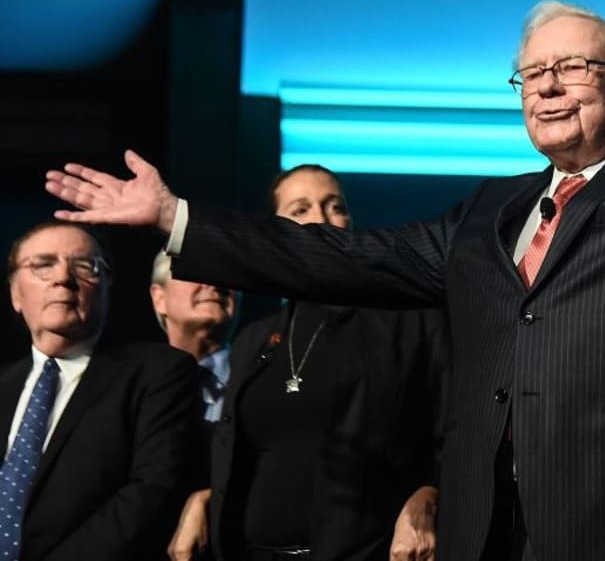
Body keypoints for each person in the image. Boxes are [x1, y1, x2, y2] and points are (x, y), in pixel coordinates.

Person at [46, 0, 605, 561]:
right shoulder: (489, 210)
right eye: (531, 74)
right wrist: (175, 218)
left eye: (572, 68)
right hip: (486, 528)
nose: (548, 87)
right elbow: (340, 257)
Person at [167, 164, 449, 561]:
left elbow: (458, 430)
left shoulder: (411, 319)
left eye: (335, 206)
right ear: (273, 232)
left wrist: (429, 495)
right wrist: (205, 499)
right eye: (300, 210)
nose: (320, 219)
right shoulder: (253, 340)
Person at [1, 221, 200, 559]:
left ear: (107, 286)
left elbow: (151, 492)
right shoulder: (4, 385)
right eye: (43, 265)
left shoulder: (157, 372)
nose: (63, 278)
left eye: (84, 266)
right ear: (16, 294)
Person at [150, 249, 239, 429]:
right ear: (160, 299)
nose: (214, 284)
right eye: (196, 271)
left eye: (227, 274)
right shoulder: (137, 389)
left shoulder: (263, 381)